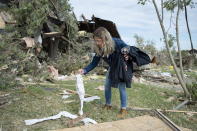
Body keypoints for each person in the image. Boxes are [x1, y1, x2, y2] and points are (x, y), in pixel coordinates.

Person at [78, 27, 150, 118]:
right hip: (112, 67)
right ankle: (108, 105)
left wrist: (128, 56)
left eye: (99, 40)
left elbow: (129, 50)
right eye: (95, 40)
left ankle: (123, 109)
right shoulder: (98, 48)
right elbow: (94, 63)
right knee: (107, 85)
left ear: (105, 39)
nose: (97, 43)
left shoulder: (117, 43)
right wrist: (84, 70)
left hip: (122, 67)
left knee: (121, 87)